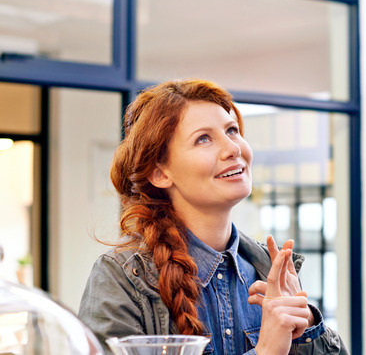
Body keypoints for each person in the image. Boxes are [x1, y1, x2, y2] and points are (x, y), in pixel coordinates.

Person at [77, 79, 347, 355]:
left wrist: (308, 324)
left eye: (232, 130)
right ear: (160, 173)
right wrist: (264, 351)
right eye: (203, 138)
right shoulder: (122, 278)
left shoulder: (269, 270)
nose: (233, 148)